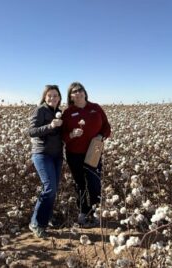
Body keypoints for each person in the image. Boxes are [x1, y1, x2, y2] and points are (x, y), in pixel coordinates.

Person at [62, 82, 111, 227]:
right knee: (80, 184)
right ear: (70, 96)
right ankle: (83, 211)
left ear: (85, 92)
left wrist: (101, 136)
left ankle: (96, 213)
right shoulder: (68, 112)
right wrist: (71, 134)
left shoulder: (95, 108)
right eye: (74, 91)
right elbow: (62, 136)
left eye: (80, 90)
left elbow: (106, 127)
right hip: (74, 153)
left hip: (93, 151)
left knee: (94, 182)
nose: (78, 93)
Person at [28, 85, 63, 238]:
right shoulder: (40, 110)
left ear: (59, 97)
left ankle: (46, 217)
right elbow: (32, 131)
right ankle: (36, 223)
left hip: (57, 155)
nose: (53, 98)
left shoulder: (59, 112)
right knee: (49, 188)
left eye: (55, 95)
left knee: (52, 188)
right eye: (50, 95)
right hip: (42, 154)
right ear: (45, 97)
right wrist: (50, 126)